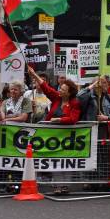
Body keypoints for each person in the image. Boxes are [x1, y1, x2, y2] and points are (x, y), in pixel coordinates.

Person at [28, 66, 80, 194]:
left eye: (63, 89)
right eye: (61, 88)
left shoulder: (75, 103)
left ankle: (65, 185)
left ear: (69, 93)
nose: (60, 90)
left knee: (66, 160)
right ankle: (57, 185)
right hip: (53, 135)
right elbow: (45, 87)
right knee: (55, 160)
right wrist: (34, 74)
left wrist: (59, 120)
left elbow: (73, 118)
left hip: (67, 137)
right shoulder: (56, 97)